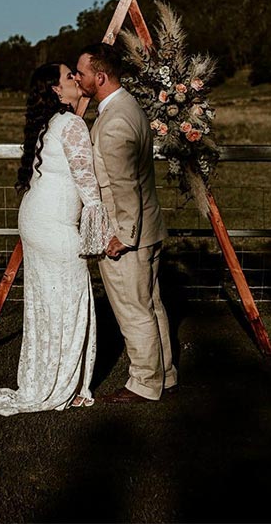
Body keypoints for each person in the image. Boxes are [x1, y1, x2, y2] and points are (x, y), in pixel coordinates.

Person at [0, 62, 113, 415]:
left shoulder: (49, 124)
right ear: (55, 89)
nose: (76, 79)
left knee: (48, 303)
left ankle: (51, 376)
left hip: (35, 220)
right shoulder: (72, 124)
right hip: (53, 225)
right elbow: (87, 184)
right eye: (69, 76)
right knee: (71, 300)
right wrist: (102, 232)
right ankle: (66, 385)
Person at [75, 43, 178, 404]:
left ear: (99, 77)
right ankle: (165, 376)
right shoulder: (128, 105)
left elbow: (124, 185)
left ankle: (144, 383)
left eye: (82, 73)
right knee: (151, 304)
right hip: (149, 227)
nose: (77, 78)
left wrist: (122, 236)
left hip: (129, 234)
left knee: (133, 311)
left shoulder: (115, 121)